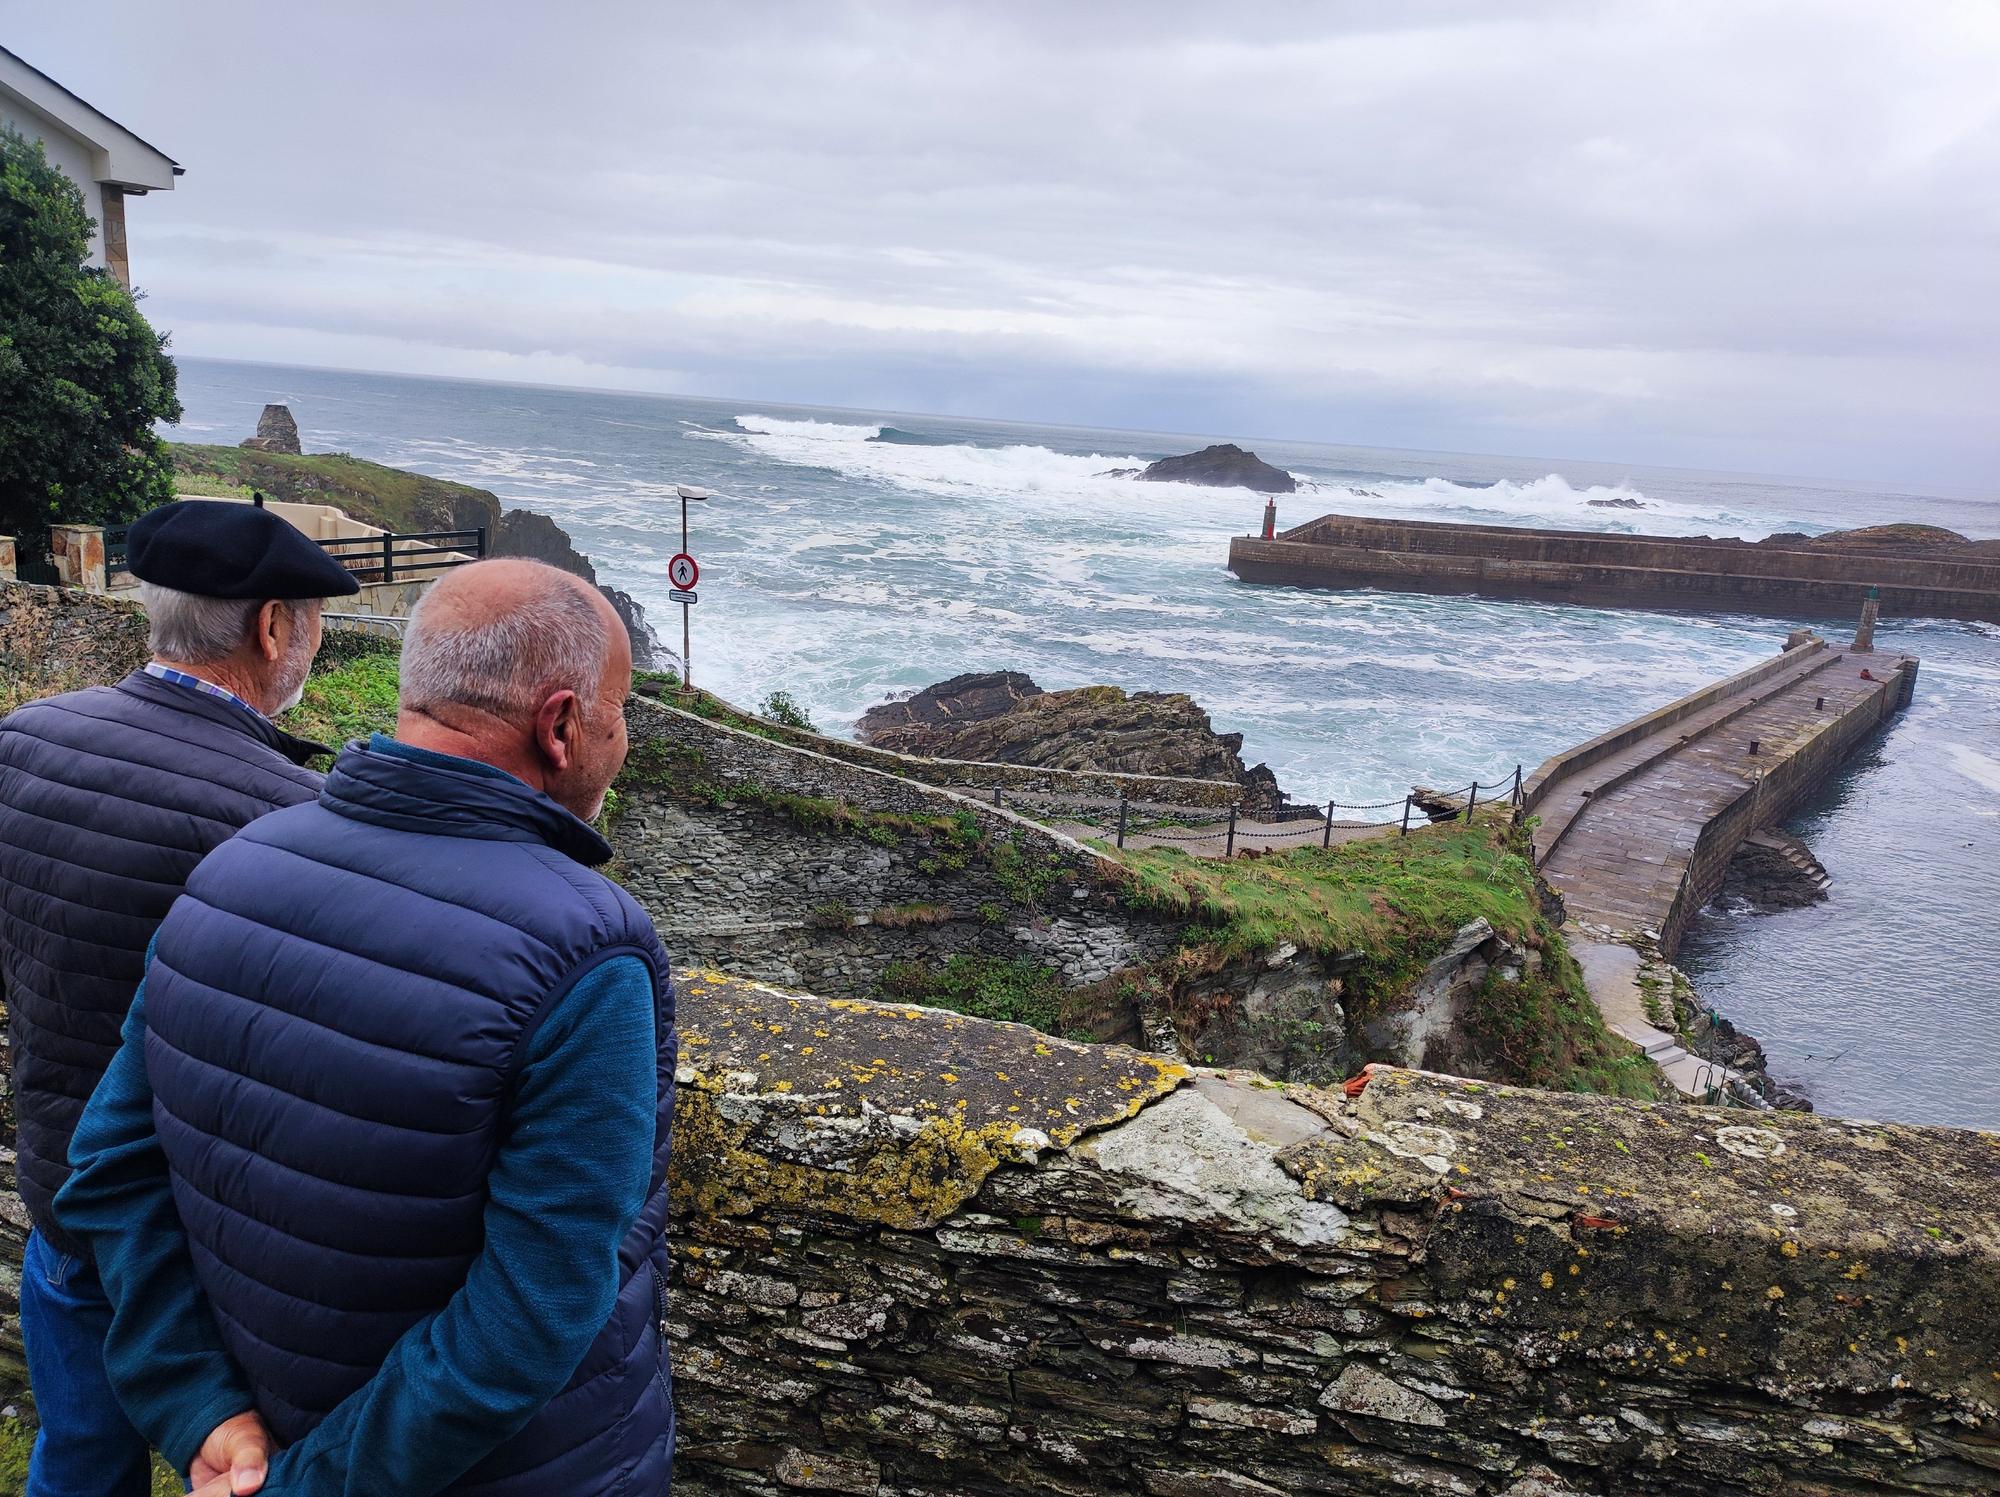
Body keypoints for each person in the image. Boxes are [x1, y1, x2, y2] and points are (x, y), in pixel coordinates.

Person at [58, 559, 677, 1496]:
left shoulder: (231, 872)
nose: (620, 738)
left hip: (260, 1433)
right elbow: (534, 1313)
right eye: (618, 712)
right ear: (560, 726)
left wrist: (200, 1406)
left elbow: (108, 1170)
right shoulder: (587, 947)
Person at [0, 498, 357, 1496]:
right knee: (256, 1475)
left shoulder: (21, 741)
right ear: (273, 627)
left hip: (64, 1197)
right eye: (312, 624)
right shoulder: (290, 816)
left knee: (77, 1458)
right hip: (211, 1246)